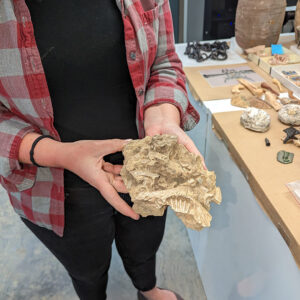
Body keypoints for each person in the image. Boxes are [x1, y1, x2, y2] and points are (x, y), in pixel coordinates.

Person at [0, 0, 203, 299]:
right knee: (86, 266)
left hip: (144, 160)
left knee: (145, 240)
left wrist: (163, 113)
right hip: (54, 181)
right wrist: (61, 154)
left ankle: (147, 288)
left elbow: (164, 59)